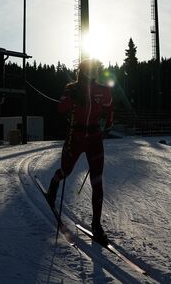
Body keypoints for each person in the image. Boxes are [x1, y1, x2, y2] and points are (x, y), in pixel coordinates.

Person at [46, 59, 113, 243]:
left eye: (96, 70)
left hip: (94, 138)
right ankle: (53, 185)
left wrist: (108, 126)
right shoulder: (71, 88)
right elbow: (60, 108)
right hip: (75, 136)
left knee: (97, 182)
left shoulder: (103, 90)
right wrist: (71, 97)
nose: (93, 73)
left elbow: (110, 109)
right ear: (82, 71)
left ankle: (96, 225)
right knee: (65, 171)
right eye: (89, 70)